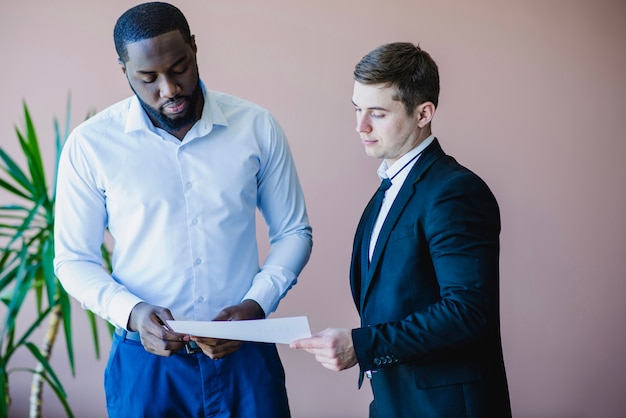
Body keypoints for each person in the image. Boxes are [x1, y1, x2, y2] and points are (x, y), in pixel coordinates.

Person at [53, 2, 312, 417]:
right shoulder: (90, 146)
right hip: (146, 365)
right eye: (148, 78)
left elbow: (294, 232)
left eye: (179, 68)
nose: (169, 89)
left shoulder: (256, 126)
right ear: (124, 71)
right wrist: (133, 314)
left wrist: (257, 305)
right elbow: (73, 259)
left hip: (245, 357)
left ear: (194, 48)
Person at [291, 42, 511, 417]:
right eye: (358, 109)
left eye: (376, 113)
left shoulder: (454, 191)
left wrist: (362, 346)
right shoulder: (388, 191)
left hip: (447, 408)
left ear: (423, 113)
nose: (360, 126)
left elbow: (468, 311)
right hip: (394, 402)